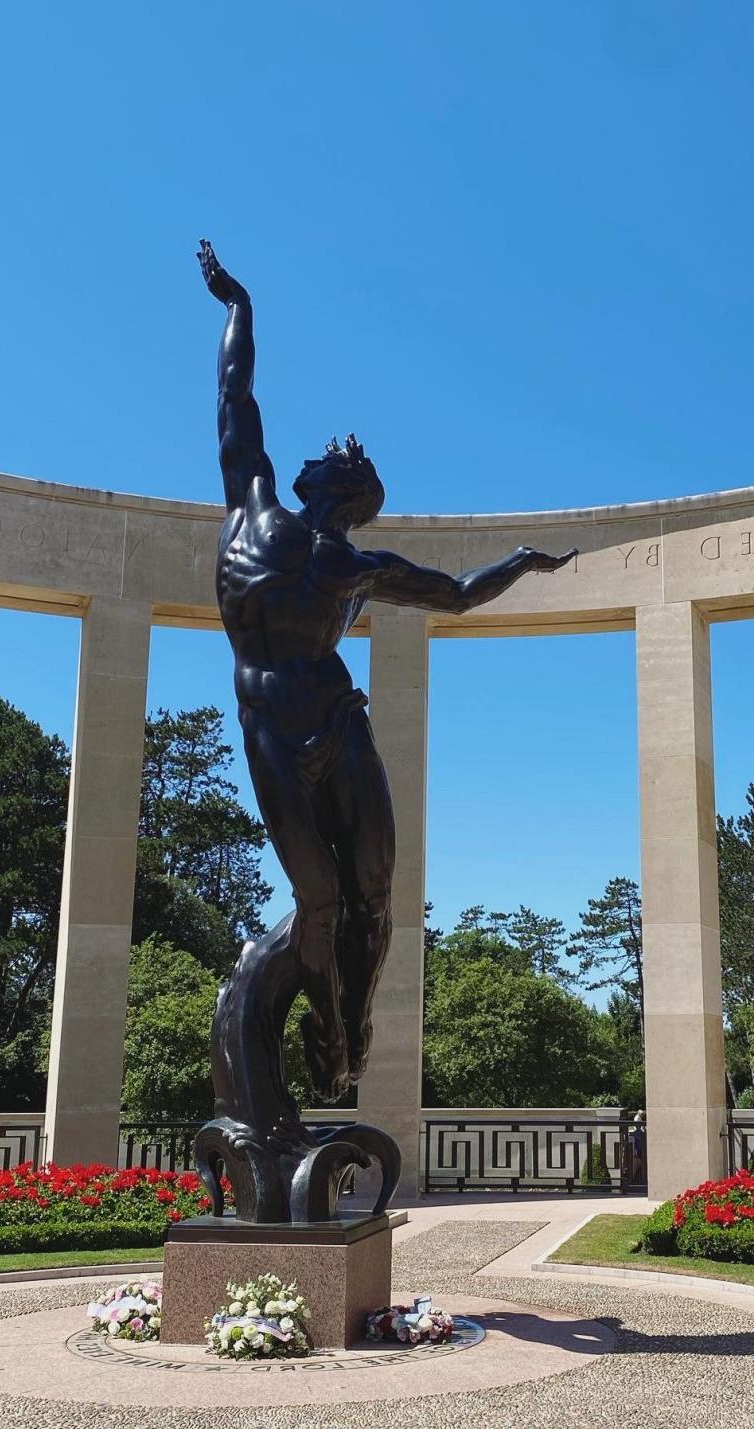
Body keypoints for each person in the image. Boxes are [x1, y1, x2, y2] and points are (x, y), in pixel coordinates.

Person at [197, 239, 576, 1101]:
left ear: (348, 483)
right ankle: (330, 1027)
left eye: (337, 454)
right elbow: (234, 393)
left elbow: (457, 594)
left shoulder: (361, 566)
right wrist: (239, 305)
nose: (320, 449)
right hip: (271, 729)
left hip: (339, 722)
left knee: (376, 890)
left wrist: (521, 559)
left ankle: (350, 1026)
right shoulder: (249, 499)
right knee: (319, 899)